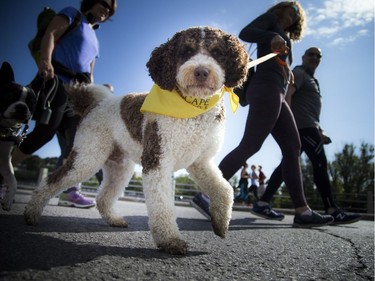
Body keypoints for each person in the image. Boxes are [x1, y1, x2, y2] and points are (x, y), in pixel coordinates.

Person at [191, 1, 334, 227]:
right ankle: (207, 194)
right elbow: (245, 32)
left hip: (277, 92)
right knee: (251, 144)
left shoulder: (286, 36)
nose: (293, 15)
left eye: (297, 14)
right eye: (291, 9)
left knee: (293, 148)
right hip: (266, 88)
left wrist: (287, 73)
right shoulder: (271, 22)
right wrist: (271, 38)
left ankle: (302, 211)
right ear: (281, 8)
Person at [12, 0, 118, 208]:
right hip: (57, 82)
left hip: (77, 96)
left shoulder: (95, 39)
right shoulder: (73, 15)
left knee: (76, 144)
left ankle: (69, 191)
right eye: (104, 3)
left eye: (110, 9)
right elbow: (50, 34)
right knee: (44, 133)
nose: (107, 10)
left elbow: (89, 73)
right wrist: (45, 60)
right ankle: (2, 172)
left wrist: (96, 92)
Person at [251, 47, 361, 224]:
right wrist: (287, 122)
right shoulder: (300, 73)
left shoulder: (312, 79)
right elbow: (288, 95)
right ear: (303, 57)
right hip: (303, 127)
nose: (315, 57)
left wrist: (320, 131)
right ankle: (332, 209)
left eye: (318, 55)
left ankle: (263, 202)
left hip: (310, 127)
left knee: (288, 163)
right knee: (320, 164)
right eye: (311, 54)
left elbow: (309, 109)